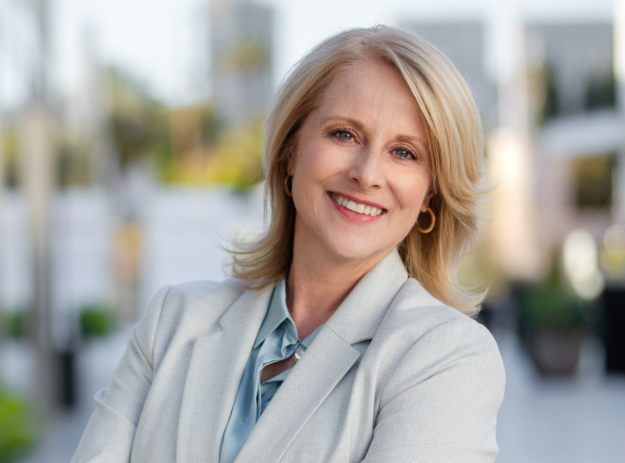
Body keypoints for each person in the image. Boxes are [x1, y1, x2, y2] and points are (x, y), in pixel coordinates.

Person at [72, 25, 505, 462]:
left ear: (430, 194)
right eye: (344, 134)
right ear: (290, 151)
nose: (367, 173)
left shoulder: (447, 358)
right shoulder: (172, 325)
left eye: (405, 153)